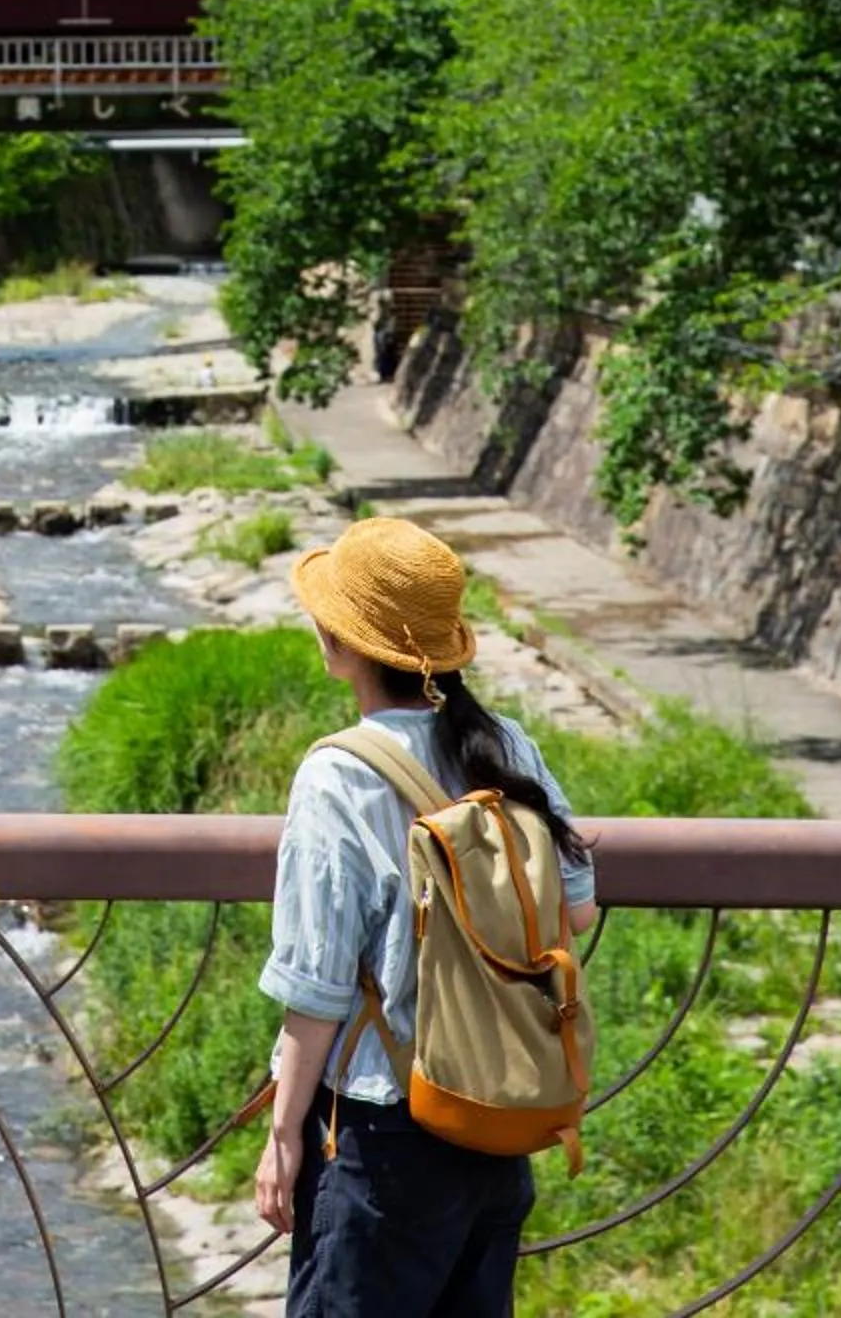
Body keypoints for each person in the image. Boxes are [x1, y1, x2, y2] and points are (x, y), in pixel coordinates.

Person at [254, 515, 596, 1318]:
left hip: (385, 1138)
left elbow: (317, 991)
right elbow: (577, 907)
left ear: (345, 643)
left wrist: (283, 1135)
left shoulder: (337, 775)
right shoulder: (506, 743)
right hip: (497, 1120)